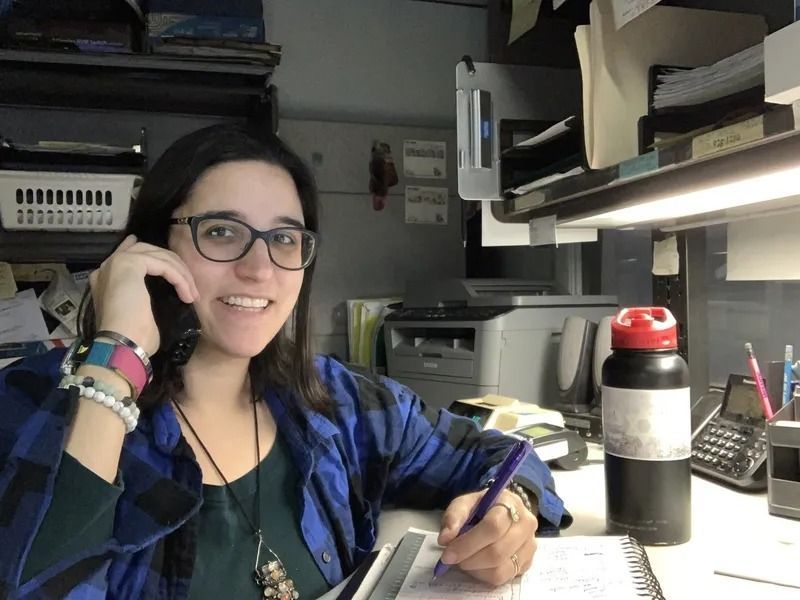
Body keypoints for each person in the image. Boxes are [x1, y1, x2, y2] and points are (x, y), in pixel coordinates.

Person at [0, 124, 571, 599]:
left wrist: (511, 508)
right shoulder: (31, 406)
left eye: (285, 239)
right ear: (151, 248)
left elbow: (499, 452)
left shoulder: (339, 402)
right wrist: (115, 357)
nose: (259, 268)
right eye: (221, 232)